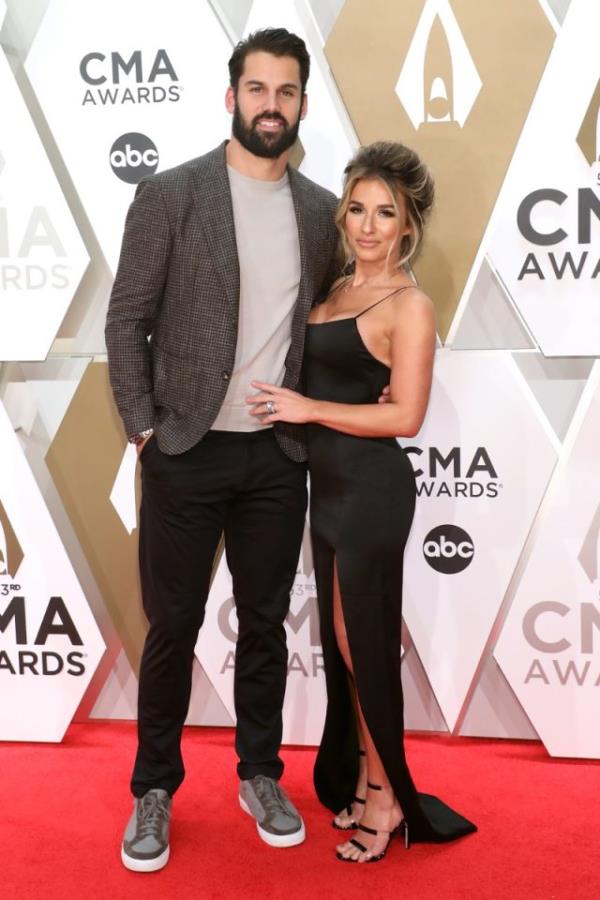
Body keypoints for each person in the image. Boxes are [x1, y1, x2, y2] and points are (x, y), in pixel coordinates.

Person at [105, 28, 339, 872]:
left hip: (276, 458)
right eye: (258, 89)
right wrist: (144, 428)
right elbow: (126, 319)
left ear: (302, 105)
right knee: (172, 626)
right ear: (231, 96)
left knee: (266, 624)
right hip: (186, 449)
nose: (271, 105)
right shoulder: (171, 195)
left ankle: (260, 774)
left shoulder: (320, 212)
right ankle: (153, 789)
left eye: (287, 91)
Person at [247, 141, 477, 862]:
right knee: (346, 646)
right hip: (328, 490)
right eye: (357, 209)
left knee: (364, 647)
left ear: (408, 225)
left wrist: (309, 408)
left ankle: (387, 799)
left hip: (373, 491)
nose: (368, 226)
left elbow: (405, 416)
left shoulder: (410, 304)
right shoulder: (333, 289)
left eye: (385, 213)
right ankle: (365, 780)